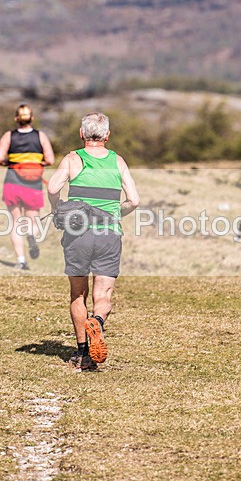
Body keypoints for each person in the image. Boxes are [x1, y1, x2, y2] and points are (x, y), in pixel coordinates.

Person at [47, 112, 140, 371]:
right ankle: (97, 321)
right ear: (107, 136)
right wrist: (114, 214)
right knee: (103, 294)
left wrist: (57, 209)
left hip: (78, 234)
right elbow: (134, 200)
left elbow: (53, 189)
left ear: (81, 134)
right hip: (109, 234)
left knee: (79, 293)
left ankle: (83, 355)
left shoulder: (73, 159)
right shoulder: (118, 161)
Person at [0, 104, 55, 270]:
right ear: (32, 118)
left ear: (16, 119)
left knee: (15, 222)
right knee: (33, 220)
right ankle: (31, 235)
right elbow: (50, 160)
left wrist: (9, 162)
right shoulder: (40, 136)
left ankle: (21, 260)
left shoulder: (9, 136)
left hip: (12, 182)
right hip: (33, 184)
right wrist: (36, 163)